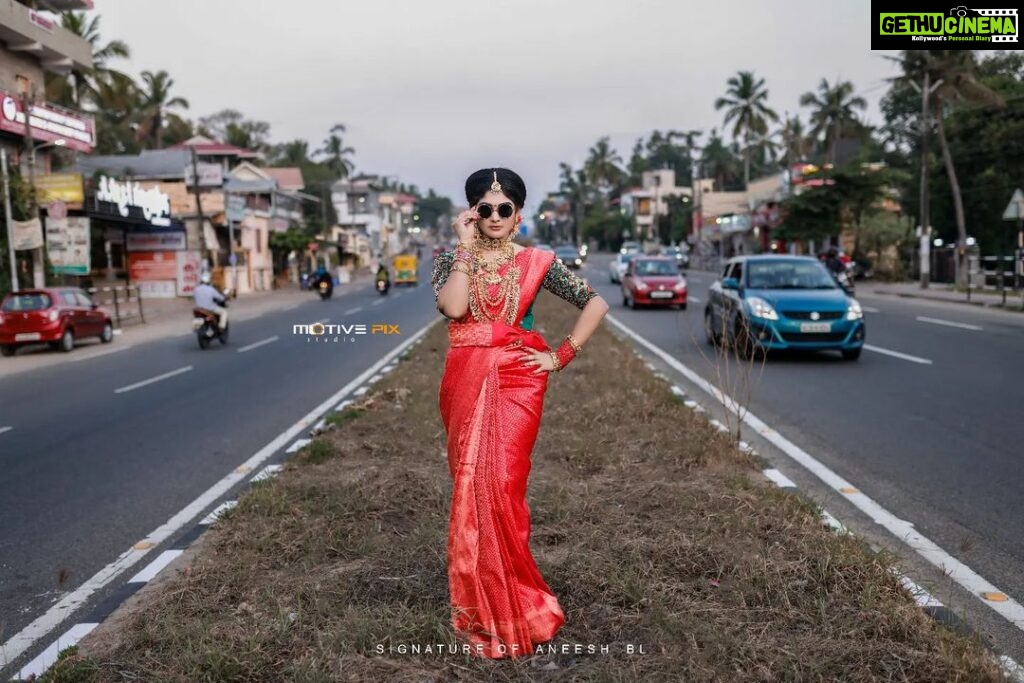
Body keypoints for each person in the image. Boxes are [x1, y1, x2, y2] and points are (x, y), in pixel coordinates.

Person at [432, 168, 610, 659]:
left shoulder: (538, 263)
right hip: (465, 380)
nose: (493, 216)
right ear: (471, 213)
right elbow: (453, 308)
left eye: (503, 208)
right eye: (483, 208)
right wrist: (464, 247)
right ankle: (480, 604)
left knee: (504, 488)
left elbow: (596, 303)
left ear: (518, 215)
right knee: (470, 485)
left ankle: (515, 601)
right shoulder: (450, 260)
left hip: (517, 383)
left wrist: (560, 355)